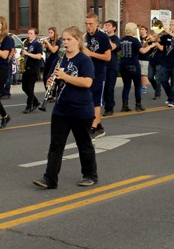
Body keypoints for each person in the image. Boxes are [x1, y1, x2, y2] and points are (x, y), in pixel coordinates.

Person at [33, 26, 98, 189]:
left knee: (83, 143)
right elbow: (54, 79)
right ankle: (50, 179)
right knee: (56, 144)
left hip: (81, 109)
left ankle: (90, 175)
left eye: (69, 39)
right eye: (64, 39)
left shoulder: (84, 60)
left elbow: (87, 82)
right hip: (61, 108)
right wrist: (51, 82)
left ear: (78, 40)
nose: (65, 42)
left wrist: (65, 77)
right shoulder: (60, 59)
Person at [83, 13, 111, 139]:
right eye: (86, 24)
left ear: (97, 24)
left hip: (99, 73)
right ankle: (98, 126)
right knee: (87, 100)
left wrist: (91, 54)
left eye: (90, 24)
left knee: (96, 101)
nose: (88, 26)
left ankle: (93, 127)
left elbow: (108, 57)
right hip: (87, 73)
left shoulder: (103, 37)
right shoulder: (85, 37)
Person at [119, 22, 147, 112]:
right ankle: (138, 105)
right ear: (133, 30)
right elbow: (142, 51)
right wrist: (151, 46)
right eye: (135, 29)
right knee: (137, 86)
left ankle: (124, 106)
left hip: (123, 64)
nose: (136, 31)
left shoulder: (122, 39)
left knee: (126, 86)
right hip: (133, 64)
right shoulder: (135, 40)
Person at [157, 19, 174, 107]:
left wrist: (169, 33)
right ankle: (170, 97)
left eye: (172, 24)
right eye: (170, 24)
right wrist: (157, 33)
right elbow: (155, 40)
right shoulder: (166, 36)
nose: (170, 26)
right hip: (165, 62)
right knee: (163, 80)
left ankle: (172, 100)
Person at [21, 27, 43, 113]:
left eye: (31, 33)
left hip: (34, 68)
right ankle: (36, 102)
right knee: (24, 87)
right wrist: (22, 57)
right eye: (28, 33)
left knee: (30, 88)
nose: (28, 35)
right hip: (26, 68)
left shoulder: (37, 44)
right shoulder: (26, 44)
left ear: (35, 35)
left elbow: (38, 56)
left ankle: (29, 106)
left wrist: (27, 53)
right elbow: (24, 55)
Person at [102, 20, 120, 116]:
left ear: (114, 28)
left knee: (109, 88)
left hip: (111, 66)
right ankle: (108, 103)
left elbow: (112, 47)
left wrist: (106, 38)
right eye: (105, 25)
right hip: (102, 66)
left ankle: (109, 108)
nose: (106, 27)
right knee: (103, 88)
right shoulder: (102, 37)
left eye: (109, 25)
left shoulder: (115, 38)